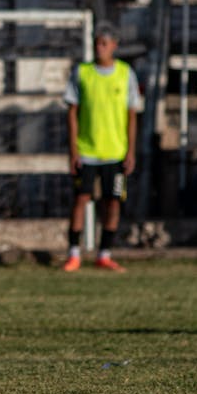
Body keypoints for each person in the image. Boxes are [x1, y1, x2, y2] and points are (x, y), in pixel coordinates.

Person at [62, 22, 139, 272]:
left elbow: (132, 116)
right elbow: (72, 113)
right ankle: (74, 253)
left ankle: (104, 254)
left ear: (114, 46)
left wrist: (130, 151)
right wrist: (73, 149)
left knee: (112, 203)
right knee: (81, 199)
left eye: (104, 43)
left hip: (115, 151)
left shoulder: (125, 73)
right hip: (87, 150)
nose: (100, 47)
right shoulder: (82, 72)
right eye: (97, 43)